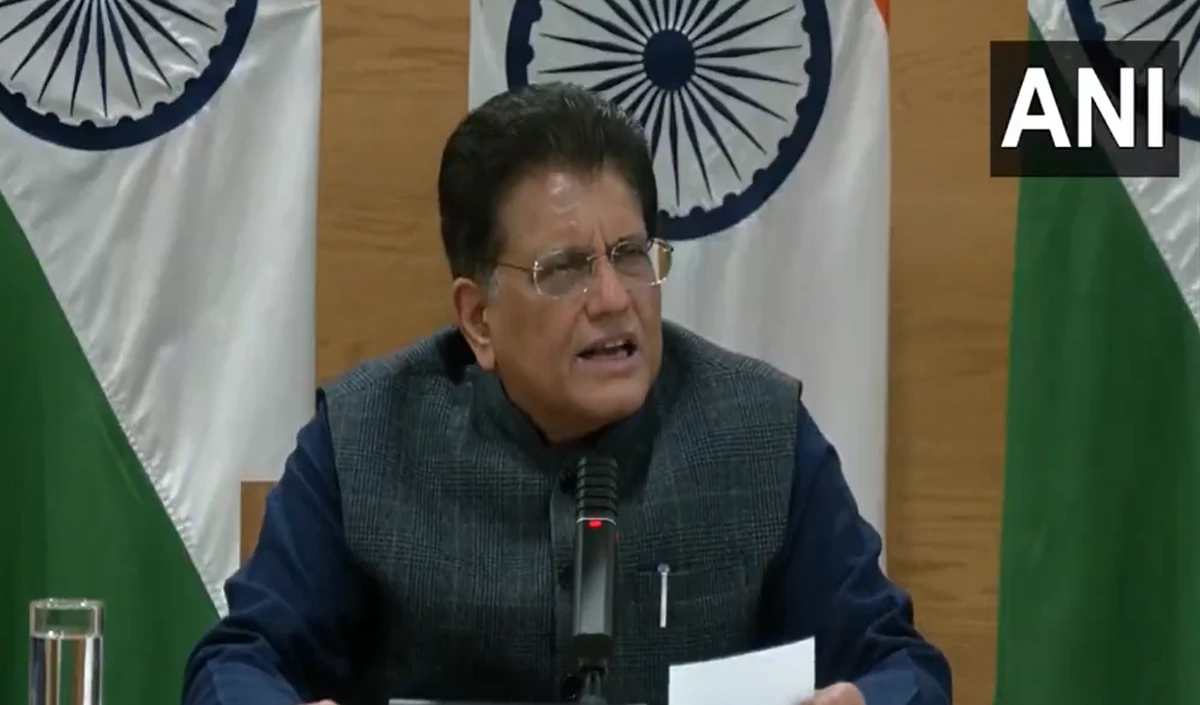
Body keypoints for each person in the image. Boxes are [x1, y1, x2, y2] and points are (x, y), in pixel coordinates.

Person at [181, 82, 951, 705]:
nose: (614, 298)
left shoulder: (761, 434)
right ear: (478, 318)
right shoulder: (367, 439)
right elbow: (237, 661)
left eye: (630, 254)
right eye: (566, 269)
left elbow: (902, 665)